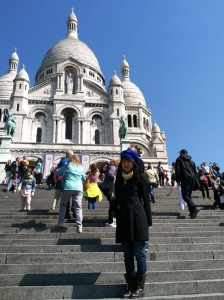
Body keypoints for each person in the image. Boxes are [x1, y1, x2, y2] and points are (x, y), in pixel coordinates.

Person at [115, 149, 152, 298]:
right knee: (127, 255)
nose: (126, 164)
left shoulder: (140, 178)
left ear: (134, 163)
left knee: (140, 253)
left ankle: (139, 286)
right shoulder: (119, 179)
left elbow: (146, 200)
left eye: (128, 162)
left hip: (137, 217)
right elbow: (117, 199)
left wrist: (149, 221)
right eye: (123, 162)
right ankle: (130, 285)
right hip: (124, 218)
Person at [56, 155, 86, 233]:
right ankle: (79, 226)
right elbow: (84, 178)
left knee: (63, 204)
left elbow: (57, 172)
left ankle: (61, 222)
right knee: (78, 208)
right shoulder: (81, 167)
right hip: (79, 188)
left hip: (68, 187)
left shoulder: (67, 165)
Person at [175, 149, 200, 219]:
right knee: (188, 195)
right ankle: (192, 212)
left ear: (181, 153)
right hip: (193, 179)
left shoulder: (179, 159)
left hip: (185, 178)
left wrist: (178, 180)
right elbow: (195, 171)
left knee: (185, 196)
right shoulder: (191, 161)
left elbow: (178, 170)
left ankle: (194, 207)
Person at [102, 158, 120, 227]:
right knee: (113, 203)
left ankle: (113, 219)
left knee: (113, 203)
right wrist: (118, 177)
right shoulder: (112, 166)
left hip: (108, 187)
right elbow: (110, 174)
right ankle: (111, 221)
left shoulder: (111, 166)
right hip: (110, 187)